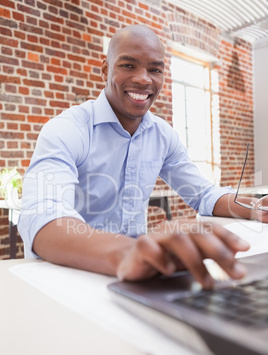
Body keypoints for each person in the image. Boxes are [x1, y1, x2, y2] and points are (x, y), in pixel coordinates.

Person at [18, 25, 268, 288]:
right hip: (69, 277)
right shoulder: (67, 129)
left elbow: (203, 194)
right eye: (128, 65)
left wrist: (256, 209)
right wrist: (128, 252)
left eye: (155, 69)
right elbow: (43, 218)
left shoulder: (162, 135)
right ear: (105, 70)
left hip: (139, 274)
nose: (143, 79)